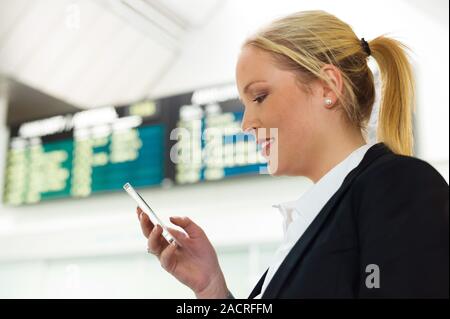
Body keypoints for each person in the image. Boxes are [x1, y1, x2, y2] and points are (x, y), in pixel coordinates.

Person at [136, 10, 449, 298]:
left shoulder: (398, 186)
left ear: (328, 87)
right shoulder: (313, 223)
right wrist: (211, 287)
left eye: (259, 96)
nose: (246, 123)